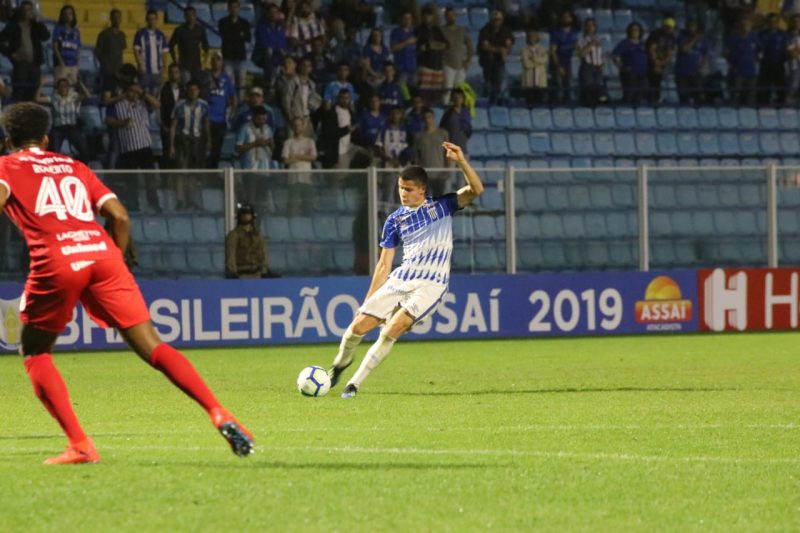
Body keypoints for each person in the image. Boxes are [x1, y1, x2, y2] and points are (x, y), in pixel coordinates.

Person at [0, 102, 254, 463]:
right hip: (103, 255)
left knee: (37, 352)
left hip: (57, 258)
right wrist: (114, 261)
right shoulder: (75, 166)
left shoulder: (6, 167)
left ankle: (80, 445)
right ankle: (218, 411)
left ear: (7, 139)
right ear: (46, 137)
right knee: (153, 347)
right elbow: (119, 216)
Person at [327, 142, 484, 398]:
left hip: (431, 283)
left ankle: (353, 385)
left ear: (422, 190)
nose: (403, 193)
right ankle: (339, 365)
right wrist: (369, 299)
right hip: (401, 278)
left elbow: (476, 189)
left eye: (408, 189)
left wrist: (461, 161)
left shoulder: (442, 207)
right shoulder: (394, 220)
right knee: (356, 328)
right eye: (400, 188)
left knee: (392, 329)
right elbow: (384, 263)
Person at [106, 80, 162, 213]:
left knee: (150, 178)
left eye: (136, 91)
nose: (134, 94)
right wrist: (121, 123)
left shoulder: (142, 104)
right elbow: (109, 121)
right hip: (128, 148)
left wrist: (143, 93)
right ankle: (133, 204)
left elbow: (157, 105)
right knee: (131, 180)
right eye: (132, 91)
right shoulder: (117, 105)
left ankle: (153, 203)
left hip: (145, 146)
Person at [170, 80, 210, 208]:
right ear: (187, 91)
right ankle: (180, 200)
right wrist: (171, 145)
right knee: (181, 171)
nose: (193, 92)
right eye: (190, 89)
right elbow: (173, 125)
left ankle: (191, 199)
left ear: (199, 91)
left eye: (195, 90)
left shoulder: (204, 105)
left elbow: (206, 123)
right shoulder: (179, 105)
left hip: (197, 140)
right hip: (183, 139)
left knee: (193, 172)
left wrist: (209, 140)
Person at [0, 1, 50, 101]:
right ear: (20, 11)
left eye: (29, 10)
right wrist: (11, 54)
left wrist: (38, 22)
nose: (27, 12)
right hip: (20, 64)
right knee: (20, 89)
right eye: (25, 10)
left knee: (34, 89)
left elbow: (46, 36)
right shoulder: (13, 26)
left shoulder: (36, 26)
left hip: (35, 63)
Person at [43, 77, 91, 163]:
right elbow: (37, 98)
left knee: (84, 150)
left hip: (71, 127)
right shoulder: (53, 98)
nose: (63, 88)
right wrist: (41, 84)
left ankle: (82, 168)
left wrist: (81, 84)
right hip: (58, 128)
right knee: (54, 152)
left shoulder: (73, 96)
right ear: (57, 88)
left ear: (68, 87)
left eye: (65, 86)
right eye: (61, 86)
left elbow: (88, 95)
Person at [203, 51, 237, 169]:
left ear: (222, 62)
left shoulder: (226, 79)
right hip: (206, 118)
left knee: (217, 149)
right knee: (205, 147)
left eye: (218, 59)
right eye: (213, 59)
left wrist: (232, 111)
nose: (216, 62)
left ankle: (212, 172)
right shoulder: (205, 77)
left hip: (220, 120)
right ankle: (203, 174)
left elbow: (234, 97)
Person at [282, 116, 316, 215]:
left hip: (306, 178)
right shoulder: (288, 142)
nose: (297, 127)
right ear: (292, 127)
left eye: (299, 125)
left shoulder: (310, 142)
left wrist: (296, 156)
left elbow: (313, 157)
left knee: (308, 207)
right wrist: (305, 156)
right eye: (295, 125)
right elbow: (286, 160)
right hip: (293, 178)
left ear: (303, 126)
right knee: (292, 207)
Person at [218, 0, 251, 101]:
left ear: (239, 8)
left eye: (236, 7)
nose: (234, 9)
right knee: (229, 82)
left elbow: (248, 38)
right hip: (228, 56)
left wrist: (235, 35)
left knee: (241, 82)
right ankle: (231, 102)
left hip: (241, 57)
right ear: (228, 9)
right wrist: (239, 35)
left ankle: (240, 102)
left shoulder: (244, 22)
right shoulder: (222, 22)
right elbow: (225, 36)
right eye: (231, 7)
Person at [225, 203, 270, 279]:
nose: (246, 216)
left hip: (257, 273)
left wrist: (264, 270)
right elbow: (231, 254)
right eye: (244, 214)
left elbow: (263, 253)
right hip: (241, 274)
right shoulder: (234, 235)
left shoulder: (257, 234)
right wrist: (233, 272)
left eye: (248, 213)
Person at [479, 10, 513, 105]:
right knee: (490, 84)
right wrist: (500, 50)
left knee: (498, 84)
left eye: (499, 20)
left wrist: (506, 49)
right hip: (487, 62)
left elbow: (510, 43)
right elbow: (485, 46)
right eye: (495, 20)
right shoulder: (485, 30)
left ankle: (496, 102)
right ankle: (491, 100)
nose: (497, 22)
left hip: (499, 61)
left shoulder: (505, 30)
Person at [440, 6, 473, 105]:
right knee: (447, 89)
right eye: (448, 15)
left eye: (453, 15)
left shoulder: (462, 30)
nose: (451, 17)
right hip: (447, 64)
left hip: (461, 65)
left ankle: (457, 108)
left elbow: (470, 46)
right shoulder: (441, 30)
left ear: (456, 16)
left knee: (458, 90)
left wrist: (467, 61)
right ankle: (445, 107)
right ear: (445, 17)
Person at [133, 10, 170, 96]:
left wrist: (164, 66)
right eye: (149, 19)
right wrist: (139, 65)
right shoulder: (140, 34)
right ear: (146, 20)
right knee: (145, 95)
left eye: (153, 19)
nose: (152, 21)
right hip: (145, 70)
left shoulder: (161, 35)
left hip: (157, 71)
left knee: (156, 95)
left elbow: (164, 52)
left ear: (157, 20)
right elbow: (136, 50)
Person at [169, 6, 209, 83]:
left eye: (192, 14)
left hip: (197, 65)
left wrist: (204, 61)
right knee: (186, 86)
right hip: (184, 65)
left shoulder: (200, 29)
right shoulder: (179, 30)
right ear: (185, 16)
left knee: (196, 86)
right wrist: (175, 60)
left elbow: (206, 47)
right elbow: (171, 45)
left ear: (195, 15)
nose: (190, 17)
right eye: (188, 15)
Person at [612, 22, 648, 106]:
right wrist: (622, 67)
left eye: (637, 30)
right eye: (633, 30)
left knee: (640, 95)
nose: (635, 32)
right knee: (630, 95)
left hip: (642, 73)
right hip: (630, 74)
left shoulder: (642, 44)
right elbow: (615, 55)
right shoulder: (625, 43)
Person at [675, 20, 709, 105]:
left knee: (699, 96)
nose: (691, 28)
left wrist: (701, 66)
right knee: (684, 97)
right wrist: (694, 39)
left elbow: (705, 54)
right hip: (682, 71)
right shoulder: (681, 37)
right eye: (689, 26)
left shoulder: (703, 40)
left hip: (695, 72)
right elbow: (684, 49)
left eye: (693, 26)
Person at [645, 17, 677, 105]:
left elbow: (670, 53)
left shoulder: (672, 38)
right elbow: (652, 49)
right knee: (651, 82)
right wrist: (656, 63)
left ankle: (656, 99)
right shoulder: (656, 35)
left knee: (657, 81)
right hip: (650, 63)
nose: (669, 29)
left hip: (661, 63)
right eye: (667, 27)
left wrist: (662, 63)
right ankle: (651, 99)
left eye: (671, 27)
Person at [549, 10, 577, 105]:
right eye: (564, 17)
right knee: (558, 87)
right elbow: (553, 51)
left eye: (568, 17)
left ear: (571, 19)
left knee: (567, 87)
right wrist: (558, 66)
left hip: (568, 63)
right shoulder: (556, 33)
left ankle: (567, 107)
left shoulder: (574, 33)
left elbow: (576, 48)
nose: (566, 19)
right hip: (558, 63)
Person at [576, 19, 606, 107]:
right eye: (588, 25)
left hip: (598, 66)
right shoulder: (581, 39)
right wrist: (591, 45)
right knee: (589, 87)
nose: (590, 27)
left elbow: (601, 53)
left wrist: (602, 63)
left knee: (598, 86)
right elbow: (581, 54)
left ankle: (598, 106)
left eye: (592, 25)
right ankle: (588, 106)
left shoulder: (598, 38)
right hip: (587, 66)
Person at [95, 9, 127, 93]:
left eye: (119, 18)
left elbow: (121, 53)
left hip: (119, 71)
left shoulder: (122, 35)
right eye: (115, 18)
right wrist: (108, 68)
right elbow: (98, 52)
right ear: (111, 19)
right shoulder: (104, 34)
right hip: (107, 72)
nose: (117, 20)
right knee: (107, 94)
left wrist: (120, 70)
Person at [52, 4, 81, 87]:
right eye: (65, 14)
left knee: (72, 90)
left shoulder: (76, 31)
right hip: (62, 65)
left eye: (70, 13)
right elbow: (55, 47)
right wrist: (61, 63)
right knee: (59, 88)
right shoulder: (58, 28)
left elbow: (78, 49)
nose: (68, 16)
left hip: (73, 65)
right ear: (62, 15)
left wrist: (78, 66)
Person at [390, 11, 418, 87]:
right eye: (405, 18)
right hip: (401, 67)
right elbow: (394, 48)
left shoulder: (414, 32)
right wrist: (407, 42)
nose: (407, 20)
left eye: (409, 18)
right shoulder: (396, 32)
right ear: (401, 19)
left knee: (414, 92)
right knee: (402, 92)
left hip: (413, 67)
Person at [521, 29, 549, 105]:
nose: (532, 38)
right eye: (530, 37)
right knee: (529, 102)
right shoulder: (524, 50)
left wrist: (533, 59)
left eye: (534, 37)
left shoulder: (542, 49)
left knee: (540, 102)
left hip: (540, 80)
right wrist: (539, 62)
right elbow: (527, 64)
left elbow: (545, 60)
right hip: (529, 80)